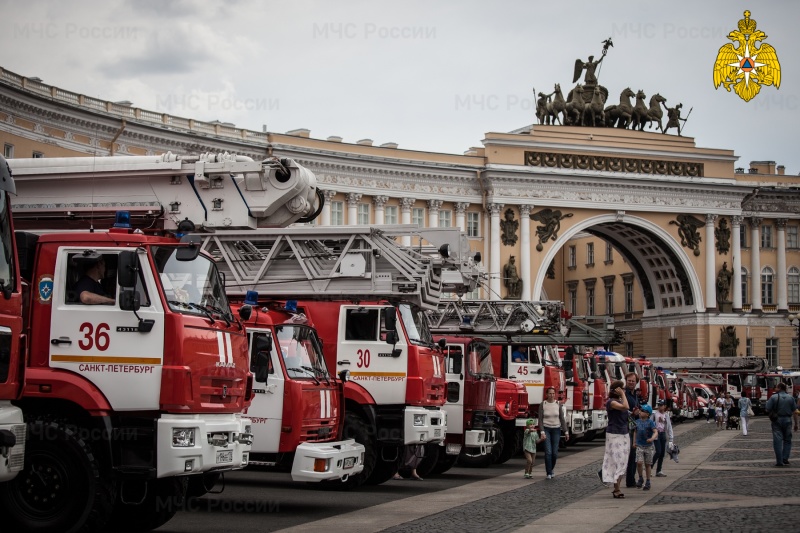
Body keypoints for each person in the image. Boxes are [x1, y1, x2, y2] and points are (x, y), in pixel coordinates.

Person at [599, 380, 630, 498]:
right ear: (617, 390)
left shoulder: (620, 400)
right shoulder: (611, 402)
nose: (625, 391)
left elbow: (627, 410)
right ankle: (616, 489)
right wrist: (623, 395)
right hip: (614, 434)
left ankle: (616, 485)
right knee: (616, 460)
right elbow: (625, 407)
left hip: (624, 433)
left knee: (623, 461)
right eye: (623, 389)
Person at [541, 386, 569, 480]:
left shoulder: (558, 404)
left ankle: (551, 469)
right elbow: (540, 420)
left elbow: (562, 418)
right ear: (546, 394)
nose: (552, 395)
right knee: (548, 452)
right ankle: (549, 472)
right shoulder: (543, 404)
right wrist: (542, 431)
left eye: (553, 393)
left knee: (555, 453)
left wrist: (566, 431)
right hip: (546, 429)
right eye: (550, 393)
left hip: (556, 429)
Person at [765, 382, 795, 467]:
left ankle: (779, 461)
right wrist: (796, 423)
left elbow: (767, 408)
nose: (775, 389)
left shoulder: (773, 397)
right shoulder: (791, 397)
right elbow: (794, 410)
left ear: (779, 388)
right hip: (788, 419)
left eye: (776, 387)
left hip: (777, 420)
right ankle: (785, 457)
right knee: (787, 440)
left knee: (777, 440)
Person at [634, 404, 658, 490]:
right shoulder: (637, 421)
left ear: (648, 414)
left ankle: (648, 481)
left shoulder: (650, 422)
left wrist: (652, 439)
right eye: (640, 410)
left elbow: (655, 432)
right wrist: (634, 442)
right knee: (639, 462)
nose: (640, 412)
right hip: (639, 445)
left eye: (643, 411)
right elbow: (635, 432)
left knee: (648, 464)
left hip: (649, 446)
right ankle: (640, 477)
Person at [623, 372, 641, 488]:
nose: (631, 383)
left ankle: (631, 479)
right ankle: (630, 480)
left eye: (633, 381)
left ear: (636, 382)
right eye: (629, 381)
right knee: (630, 454)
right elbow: (622, 409)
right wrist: (632, 413)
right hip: (626, 427)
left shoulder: (635, 394)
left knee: (634, 454)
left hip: (634, 426)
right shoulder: (624, 394)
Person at [651, 400, 673, 477]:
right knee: (658, 451)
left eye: (661, 405)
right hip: (656, 433)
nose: (660, 407)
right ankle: (650, 467)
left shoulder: (666, 415)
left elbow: (669, 426)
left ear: (664, 406)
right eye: (659, 405)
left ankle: (659, 470)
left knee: (662, 453)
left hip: (663, 434)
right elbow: (651, 423)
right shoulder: (654, 414)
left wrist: (671, 438)